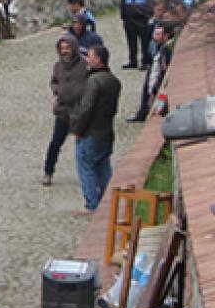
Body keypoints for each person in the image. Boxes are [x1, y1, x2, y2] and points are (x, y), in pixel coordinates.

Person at [70, 44, 121, 214]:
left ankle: (92, 204)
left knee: (86, 167)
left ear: (98, 59)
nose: (87, 59)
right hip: (106, 131)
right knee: (103, 167)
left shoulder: (93, 82)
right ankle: (108, 202)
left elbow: (86, 108)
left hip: (91, 132)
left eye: (90, 56)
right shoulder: (113, 81)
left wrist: (78, 129)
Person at [43, 34, 88, 186]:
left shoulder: (84, 65)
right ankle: (48, 172)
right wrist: (58, 90)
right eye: (62, 49)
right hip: (63, 110)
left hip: (80, 110)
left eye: (67, 48)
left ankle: (89, 175)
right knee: (55, 142)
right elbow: (54, 81)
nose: (65, 51)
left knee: (85, 144)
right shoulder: (58, 66)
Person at [127, 24, 175, 122]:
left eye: (158, 34)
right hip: (154, 77)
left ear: (166, 35)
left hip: (160, 82)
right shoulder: (160, 47)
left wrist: (156, 85)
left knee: (160, 101)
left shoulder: (167, 49)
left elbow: (164, 69)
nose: (154, 37)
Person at [119, 0, 154, 69]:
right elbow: (122, 5)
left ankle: (145, 61)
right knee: (131, 41)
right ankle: (133, 60)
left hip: (141, 19)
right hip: (129, 20)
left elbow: (149, 6)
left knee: (144, 41)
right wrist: (123, 17)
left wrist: (142, 13)